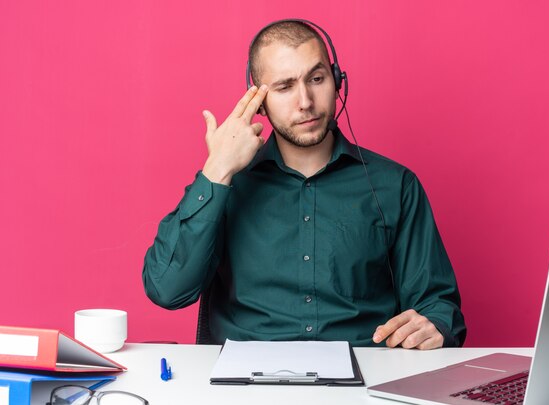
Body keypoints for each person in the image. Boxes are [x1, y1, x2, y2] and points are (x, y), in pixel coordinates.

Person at [143, 19, 466, 349]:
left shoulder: (396, 186)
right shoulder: (226, 182)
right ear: (258, 102)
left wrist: (436, 324)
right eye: (284, 87)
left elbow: (438, 305)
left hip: (364, 380)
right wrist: (216, 170)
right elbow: (167, 290)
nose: (306, 101)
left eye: (316, 78)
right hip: (246, 388)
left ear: (337, 81)